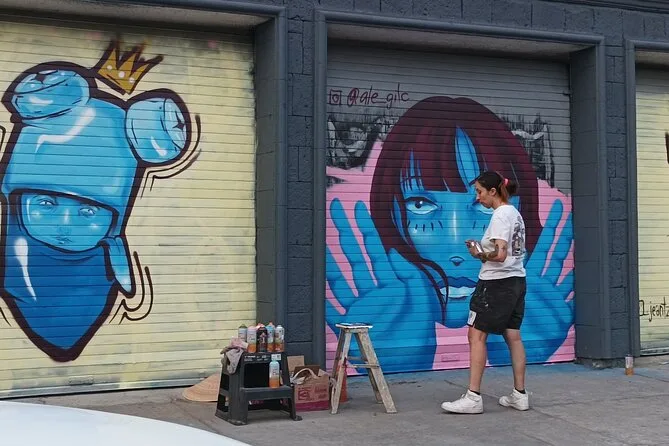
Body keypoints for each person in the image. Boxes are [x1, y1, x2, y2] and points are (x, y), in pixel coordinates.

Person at [440, 170, 530, 414]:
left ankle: (473, 397)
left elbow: (499, 255)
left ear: (493, 191)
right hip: (516, 281)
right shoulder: (514, 214)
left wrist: (478, 253)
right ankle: (520, 395)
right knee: (513, 335)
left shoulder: (500, 215)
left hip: (495, 284)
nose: (477, 197)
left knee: (476, 335)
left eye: (480, 192)